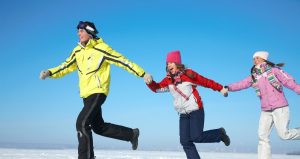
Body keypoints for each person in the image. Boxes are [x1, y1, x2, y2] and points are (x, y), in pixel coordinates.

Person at [39, 21, 153, 159]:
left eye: (81, 31)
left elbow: (123, 61)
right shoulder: (77, 51)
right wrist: (50, 72)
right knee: (98, 127)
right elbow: (65, 66)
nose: (78, 33)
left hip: (98, 91)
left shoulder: (102, 48)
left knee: (81, 123)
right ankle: (131, 134)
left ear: (89, 32)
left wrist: (142, 73)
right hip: (86, 95)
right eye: (78, 31)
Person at [146, 50, 230, 159]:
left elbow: (206, 82)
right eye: (167, 63)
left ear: (177, 63)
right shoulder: (168, 80)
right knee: (185, 141)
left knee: (196, 137)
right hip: (183, 113)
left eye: (171, 62)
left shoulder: (189, 74)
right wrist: (150, 82)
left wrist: (220, 88)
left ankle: (220, 134)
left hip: (195, 110)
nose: (168, 65)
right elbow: (156, 88)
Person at [225, 51, 300, 159]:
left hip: (280, 107)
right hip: (265, 110)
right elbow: (242, 83)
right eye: (254, 58)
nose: (255, 60)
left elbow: (288, 81)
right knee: (262, 136)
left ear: (264, 59)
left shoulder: (274, 70)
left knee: (284, 135)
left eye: (257, 58)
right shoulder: (254, 76)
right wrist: (229, 87)